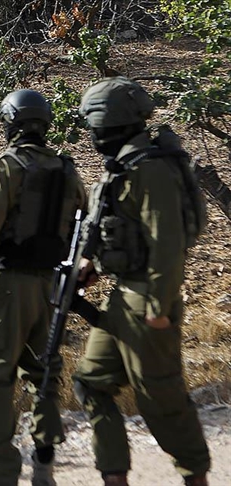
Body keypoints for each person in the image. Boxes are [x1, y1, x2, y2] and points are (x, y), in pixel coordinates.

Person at [72, 77, 211, 486]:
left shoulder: (149, 169)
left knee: (161, 402)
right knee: (92, 383)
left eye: (93, 124)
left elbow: (167, 244)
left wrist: (158, 309)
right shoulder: (126, 164)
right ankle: (115, 476)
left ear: (107, 122)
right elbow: (123, 228)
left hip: (148, 299)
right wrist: (93, 264)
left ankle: (194, 476)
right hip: (123, 297)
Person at [0, 90, 86, 486]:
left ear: (10, 123)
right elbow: (84, 226)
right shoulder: (67, 170)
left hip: (5, 287)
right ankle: (44, 467)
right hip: (51, 290)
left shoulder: (6, 166)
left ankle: (2, 475)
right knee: (44, 376)